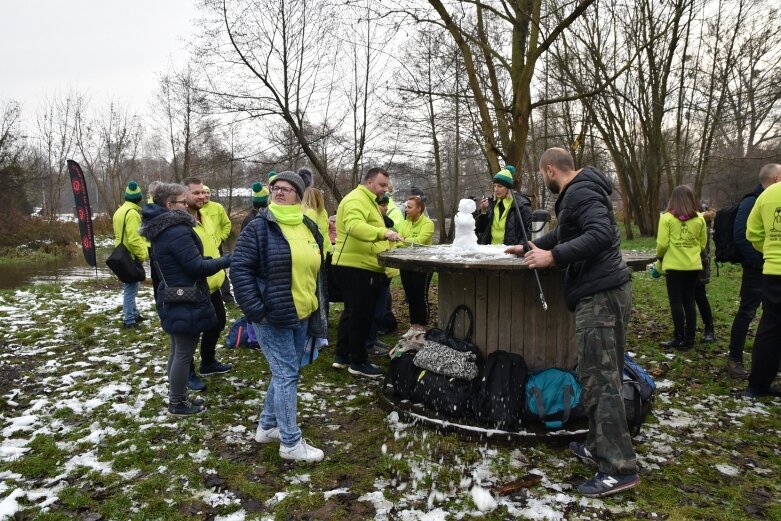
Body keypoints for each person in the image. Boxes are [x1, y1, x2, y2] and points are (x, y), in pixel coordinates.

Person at [507, 147, 638, 497]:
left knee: (601, 380)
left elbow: (600, 235)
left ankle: (618, 468)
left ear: (550, 170)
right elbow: (567, 234)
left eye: (542, 174)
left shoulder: (579, 192)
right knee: (597, 375)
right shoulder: (580, 192)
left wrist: (553, 257)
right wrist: (530, 246)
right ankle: (599, 446)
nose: (544, 180)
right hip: (605, 292)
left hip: (601, 297)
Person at [231, 171, 328, 461]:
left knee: (286, 372)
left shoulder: (308, 225)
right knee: (287, 374)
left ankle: (267, 426)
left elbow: (317, 267)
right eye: (275, 188)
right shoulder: (259, 228)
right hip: (271, 315)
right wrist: (257, 311)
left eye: (287, 188)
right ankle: (290, 443)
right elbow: (240, 270)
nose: (279, 192)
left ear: (299, 195)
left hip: (302, 311)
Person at [139, 182, 231, 416]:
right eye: (182, 201)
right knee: (183, 353)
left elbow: (187, 260)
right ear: (170, 205)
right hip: (185, 299)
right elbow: (196, 267)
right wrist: (226, 260)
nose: (186, 204)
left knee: (177, 350)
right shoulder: (176, 230)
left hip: (174, 296)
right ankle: (178, 403)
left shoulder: (162, 228)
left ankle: (177, 398)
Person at [331, 167, 401, 378]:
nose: (384, 189)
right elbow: (354, 226)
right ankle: (358, 361)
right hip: (356, 266)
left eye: (385, 186)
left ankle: (342, 356)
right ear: (369, 182)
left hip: (360, 264)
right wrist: (384, 233)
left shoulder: (368, 200)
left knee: (352, 312)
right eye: (381, 185)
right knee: (361, 315)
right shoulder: (356, 200)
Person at [727, 164, 781, 378]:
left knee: (770, 318)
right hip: (756, 267)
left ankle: (772, 362)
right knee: (747, 312)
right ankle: (735, 357)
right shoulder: (752, 200)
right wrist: (759, 260)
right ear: (776, 178)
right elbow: (742, 235)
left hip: (767, 264)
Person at [182, 177, 234, 391]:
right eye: (196, 193)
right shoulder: (181, 222)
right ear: (183, 195)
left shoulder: (206, 216)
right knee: (189, 334)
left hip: (212, 284)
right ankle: (186, 373)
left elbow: (213, 243)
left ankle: (208, 362)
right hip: (192, 287)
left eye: (204, 192)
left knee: (218, 322)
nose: (202, 196)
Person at [744, 168, 781, 398]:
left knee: (770, 327)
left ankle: (758, 385)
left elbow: (753, 232)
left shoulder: (767, 195)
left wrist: (769, 250)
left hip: (774, 269)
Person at [656, 186, 708, 349]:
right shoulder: (699, 218)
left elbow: (662, 244)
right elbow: (702, 244)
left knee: (676, 303)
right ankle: (690, 339)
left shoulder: (666, 218)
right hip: (693, 266)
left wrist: (660, 256)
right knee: (689, 302)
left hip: (674, 266)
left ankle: (678, 336)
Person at [364, 193, 398, 356]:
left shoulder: (387, 223)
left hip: (386, 270)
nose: (385, 207)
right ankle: (368, 342)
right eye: (382, 205)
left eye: (386, 205)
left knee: (381, 308)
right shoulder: (372, 224)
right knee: (374, 310)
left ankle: (373, 337)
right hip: (375, 268)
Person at [112, 181, 149, 329]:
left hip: (121, 254)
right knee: (130, 288)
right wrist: (142, 255)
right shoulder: (132, 213)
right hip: (130, 256)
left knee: (131, 285)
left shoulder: (120, 211)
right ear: (139, 198)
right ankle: (129, 320)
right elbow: (134, 239)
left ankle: (134, 313)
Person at [398, 195, 435, 331]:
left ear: (419, 209)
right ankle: (414, 325)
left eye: (409, 207)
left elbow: (420, 242)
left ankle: (422, 325)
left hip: (422, 265)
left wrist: (404, 240)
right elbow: (398, 242)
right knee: (410, 295)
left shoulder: (428, 223)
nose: (406, 210)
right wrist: (404, 241)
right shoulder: (405, 222)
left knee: (420, 295)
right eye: (406, 207)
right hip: (405, 263)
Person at [476, 165, 532, 246]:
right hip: (490, 251)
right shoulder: (490, 203)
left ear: (508, 188)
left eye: (500, 186)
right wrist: (483, 211)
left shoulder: (521, 205)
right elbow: (480, 229)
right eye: (494, 186)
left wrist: (520, 248)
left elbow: (530, 230)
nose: (496, 189)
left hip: (510, 254)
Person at [201, 185, 235, 305]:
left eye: (208, 192)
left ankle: (228, 298)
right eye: (203, 192)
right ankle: (207, 295)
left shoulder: (217, 207)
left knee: (221, 270)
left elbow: (227, 224)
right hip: (201, 246)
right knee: (203, 270)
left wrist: (222, 238)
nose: (206, 195)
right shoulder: (195, 209)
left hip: (217, 245)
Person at [694, 207, 716, 343]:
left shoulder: (701, 220)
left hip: (699, 263)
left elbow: (703, 245)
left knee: (699, 296)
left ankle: (709, 329)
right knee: (686, 299)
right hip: (683, 263)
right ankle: (689, 329)